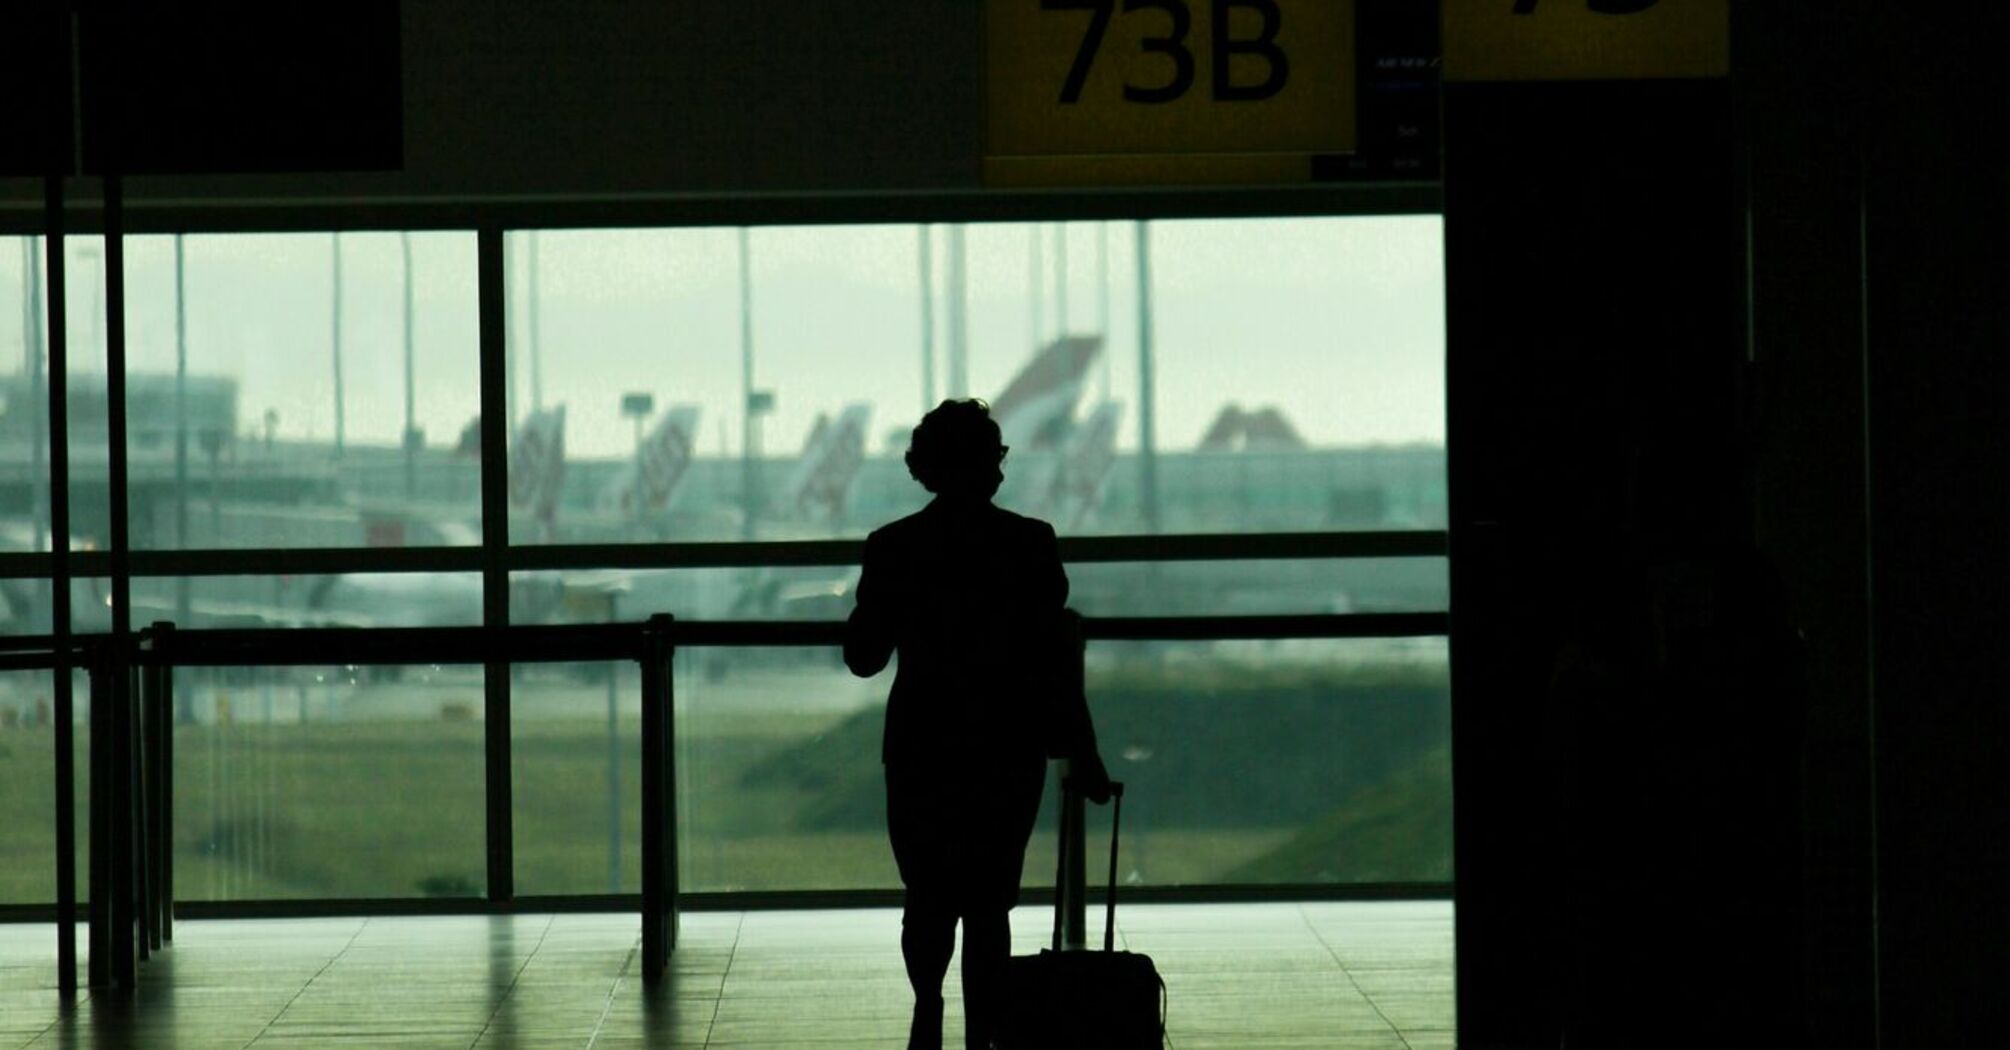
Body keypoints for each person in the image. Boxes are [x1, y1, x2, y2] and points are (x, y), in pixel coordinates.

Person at [845, 398, 1112, 1050]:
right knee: (989, 905)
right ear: (987, 465)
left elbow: (863, 658)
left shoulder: (893, 548)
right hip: (1005, 746)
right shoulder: (1029, 545)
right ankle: (985, 1033)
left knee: (928, 895)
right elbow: (1055, 664)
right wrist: (1086, 753)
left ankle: (927, 1011)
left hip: (921, 746)